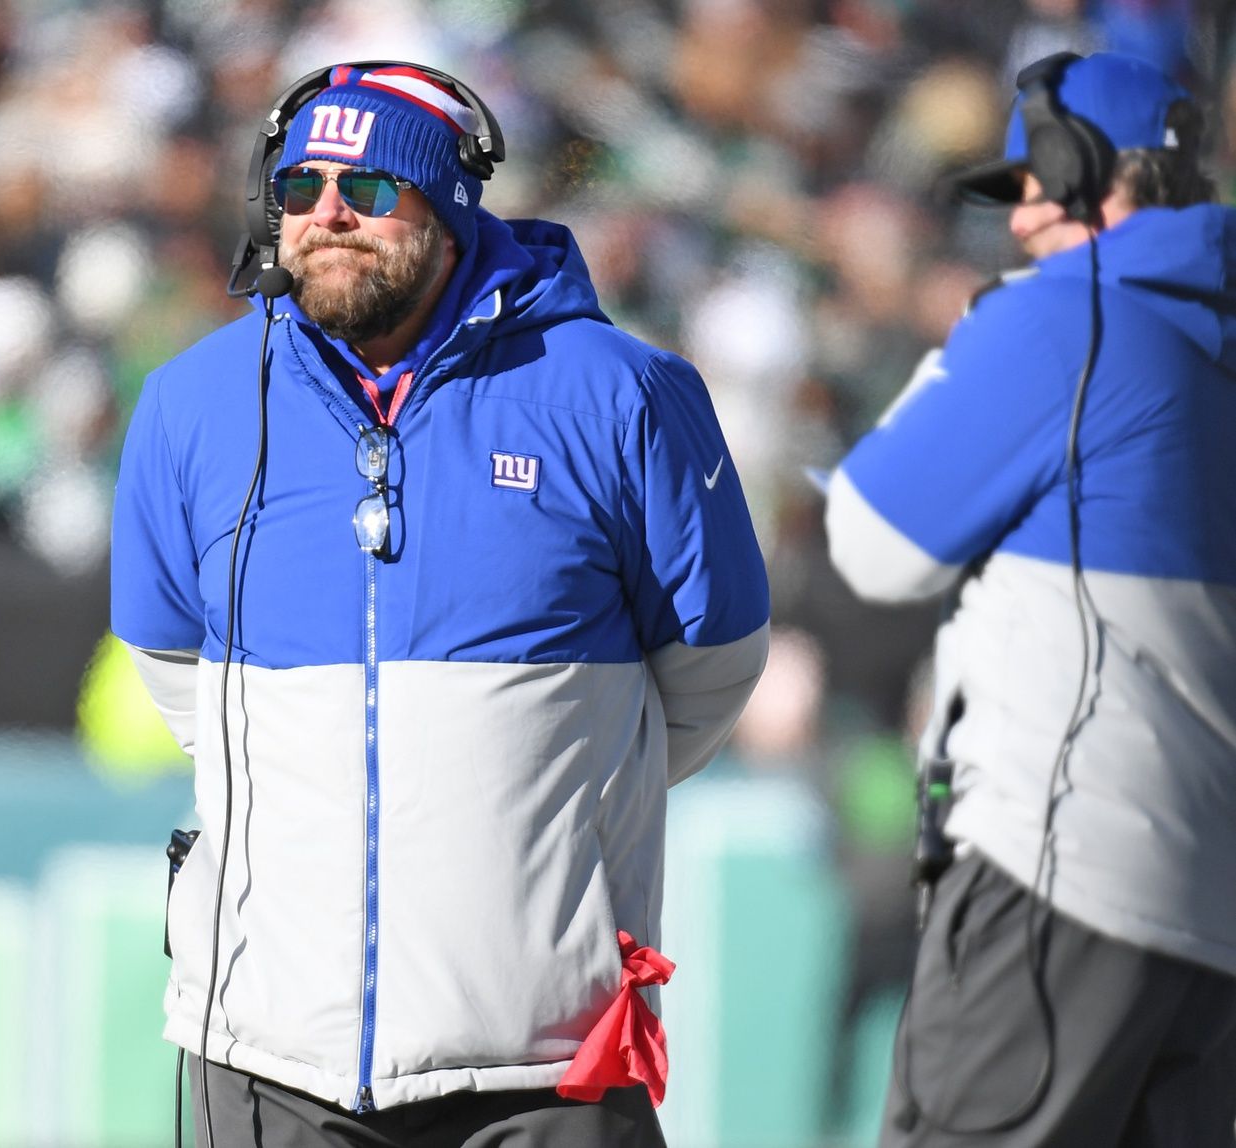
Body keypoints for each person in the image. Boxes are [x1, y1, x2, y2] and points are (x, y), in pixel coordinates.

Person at [112, 62, 769, 1147]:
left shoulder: (620, 393)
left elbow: (708, 671)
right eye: (297, 187)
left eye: (367, 189)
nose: (324, 214)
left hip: (547, 1054)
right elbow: (173, 664)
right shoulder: (190, 403)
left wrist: (538, 814)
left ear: (449, 207)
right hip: (266, 1051)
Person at [824, 51, 1236, 1146]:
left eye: (1030, 185)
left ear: (1092, 170)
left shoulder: (1061, 319)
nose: (1015, 225)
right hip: (1207, 919)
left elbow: (871, 542)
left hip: (1060, 880)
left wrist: (965, 344)